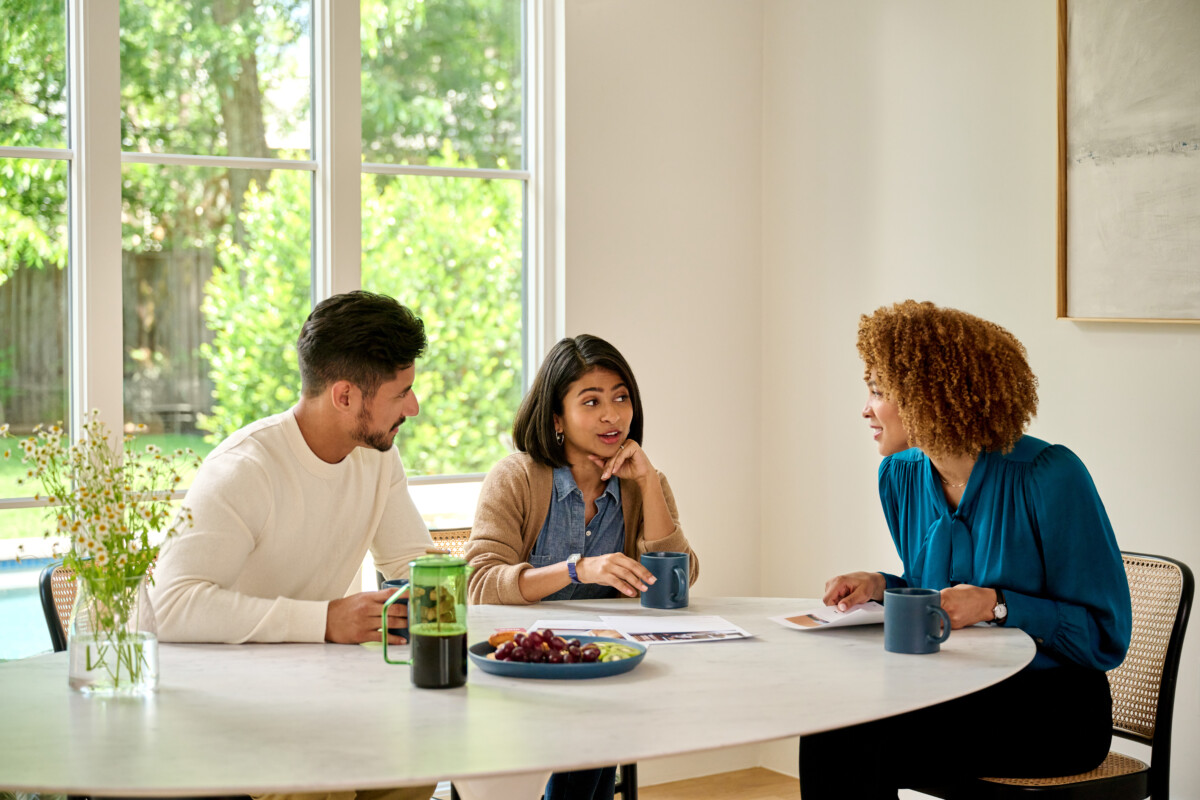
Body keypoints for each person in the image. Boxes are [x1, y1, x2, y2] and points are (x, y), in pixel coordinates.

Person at [800, 300, 1132, 800]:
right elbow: (936, 597)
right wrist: (882, 586)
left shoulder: (1049, 476)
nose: (865, 409)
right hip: (951, 688)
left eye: (877, 390)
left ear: (928, 395)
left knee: (853, 740)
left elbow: (1106, 638)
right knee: (830, 727)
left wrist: (999, 604)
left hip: (1054, 708)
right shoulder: (900, 476)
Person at [149, 291, 437, 800]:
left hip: (308, 693)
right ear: (345, 395)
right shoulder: (245, 469)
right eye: (402, 393)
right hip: (207, 702)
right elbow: (169, 606)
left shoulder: (376, 458)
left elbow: (412, 563)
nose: (413, 407)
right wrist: (324, 620)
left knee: (416, 767)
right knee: (315, 787)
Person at [466, 334, 699, 800]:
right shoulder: (516, 477)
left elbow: (679, 582)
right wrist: (578, 570)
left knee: (599, 720)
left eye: (620, 397)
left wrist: (649, 483)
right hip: (521, 675)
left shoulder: (642, 483)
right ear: (557, 417)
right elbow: (479, 584)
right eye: (590, 401)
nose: (611, 414)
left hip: (598, 672)